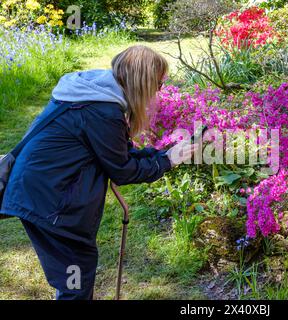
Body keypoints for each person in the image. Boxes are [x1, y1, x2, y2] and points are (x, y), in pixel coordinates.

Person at [0, 45, 197, 300]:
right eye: (158, 85)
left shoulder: (94, 96)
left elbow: (117, 155)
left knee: (73, 276)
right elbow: (123, 171)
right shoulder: (101, 111)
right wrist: (168, 161)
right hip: (50, 202)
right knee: (76, 279)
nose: (158, 92)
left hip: (41, 189)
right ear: (142, 81)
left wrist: (163, 155)